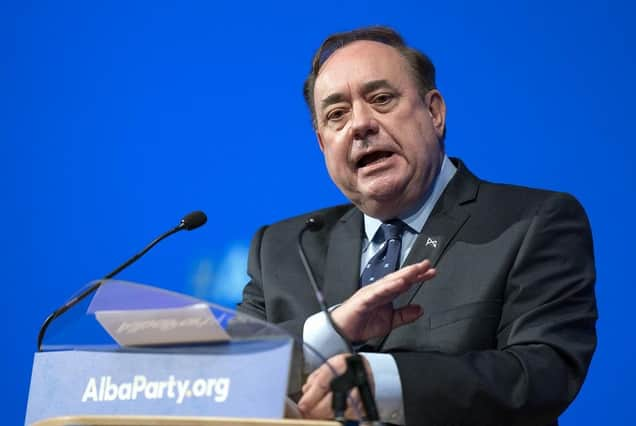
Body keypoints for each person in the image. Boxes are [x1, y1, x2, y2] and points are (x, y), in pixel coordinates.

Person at [238, 26, 597, 426]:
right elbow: (228, 377)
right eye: (337, 115)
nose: (360, 125)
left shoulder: (531, 221)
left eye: (381, 99)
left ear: (434, 112)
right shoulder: (283, 249)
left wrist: (387, 384)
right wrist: (330, 330)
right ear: (323, 144)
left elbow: (544, 374)